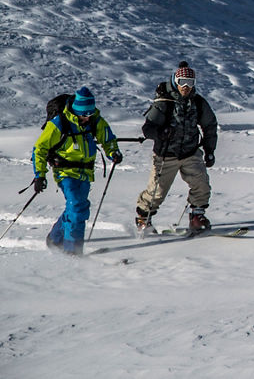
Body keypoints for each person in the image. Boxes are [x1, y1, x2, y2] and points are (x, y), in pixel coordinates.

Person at [31, 86, 123, 255]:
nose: (87, 117)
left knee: (74, 208)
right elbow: (39, 149)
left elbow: (107, 138)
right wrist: (40, 175)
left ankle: (55, 238)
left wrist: (113, 152)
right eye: (84, 114)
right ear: (76, 111)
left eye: (90, 113)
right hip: (65, 171)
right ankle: (72, 252)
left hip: (86, 172)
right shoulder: (59, 123)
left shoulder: (95, 119)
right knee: (78, 207)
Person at [134, 61, 218, 234]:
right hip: (166, 155)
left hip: (190, 152)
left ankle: (197, 216)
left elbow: (210, 125)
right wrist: (161, 133)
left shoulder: (198, 103)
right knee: (157, 192)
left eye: (190, 83)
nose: (186, 87)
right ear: (175, 81)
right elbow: (147, 128)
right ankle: (144, 218)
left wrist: (209, 150)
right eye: (182, 83)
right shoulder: (164, 102)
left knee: (201, 185)